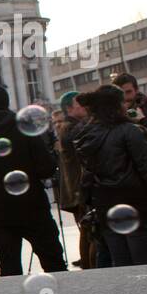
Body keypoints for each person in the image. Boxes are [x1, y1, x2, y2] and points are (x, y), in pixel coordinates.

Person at [72, 85, 147, 267]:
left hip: (109, 214)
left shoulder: (88, 135)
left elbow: (87, 179)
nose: (126, 106)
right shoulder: (131, 131)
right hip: (144, 211)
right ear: (117, 106)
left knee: (123, 269)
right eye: (123, 102)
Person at [0, 85, 66, 276]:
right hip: (32, 204)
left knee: (9, 265)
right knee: (53, 260)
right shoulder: (23, 127)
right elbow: (46, 168)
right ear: (6, 101)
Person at [54, 92, 95, 268]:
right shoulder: (70, 127)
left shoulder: (72, 125)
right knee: (88, 230)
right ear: (69, 108)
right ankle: (89, 264)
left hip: (78, 187)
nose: (84, 107)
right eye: (79, 105)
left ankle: (87, 262)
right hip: (79, 188)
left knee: (86, 229)